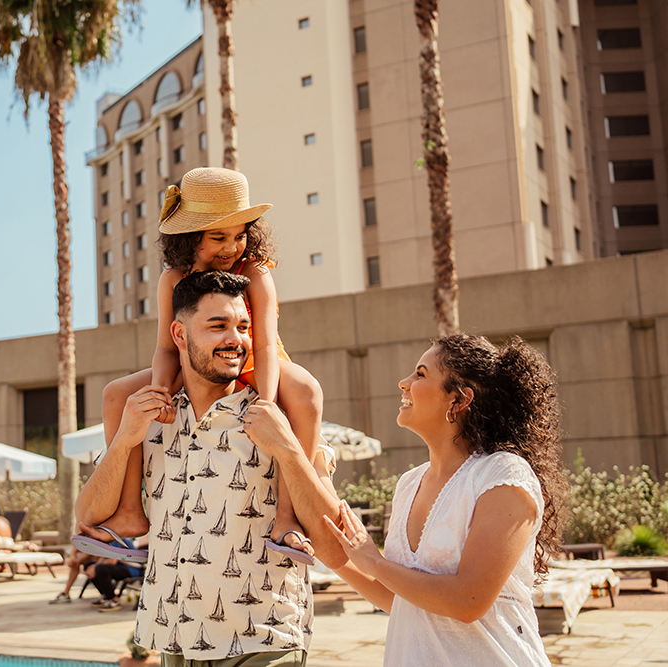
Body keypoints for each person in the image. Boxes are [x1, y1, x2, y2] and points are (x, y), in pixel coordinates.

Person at [244, 334, 567, 666]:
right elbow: (396, 598)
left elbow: (468, 601)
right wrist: (309, 466)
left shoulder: (502, 474)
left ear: (458, 400)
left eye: (421, 374)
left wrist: (374, 562)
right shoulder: (410, 484)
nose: (404, 382)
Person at [76, 270, 324, 665]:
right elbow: (88, 515)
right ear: (178, 335)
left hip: (263, 637)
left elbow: (326, 528)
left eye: (243, 326)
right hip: (174, 635)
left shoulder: (277, 415)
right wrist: (124, 439)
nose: (236, 339)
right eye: (218, 326)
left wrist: (290, 451)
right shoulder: (149, 418)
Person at [87, 166, 324, 555]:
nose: (231, 247)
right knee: (118, 396)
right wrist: (159, 394)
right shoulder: (173, 279)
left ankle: (287, 517)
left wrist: (266, 400)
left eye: (240, 235)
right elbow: (167, 348)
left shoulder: (255, 272)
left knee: (305, 391)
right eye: (219, 237)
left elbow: (264, 345)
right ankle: (130, 510)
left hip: (252, 358)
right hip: (191, 362)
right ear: (189, 238)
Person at [86, 536, 144, 612]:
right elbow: (104, 557)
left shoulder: (116, 538)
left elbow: (112, 561)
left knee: (100, 569)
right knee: (89, 566)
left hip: (132, 568)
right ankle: (106, 595)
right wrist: (93, 567)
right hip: (121, 565)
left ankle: (113, 599)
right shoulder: (108, 537)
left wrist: (95, 568)